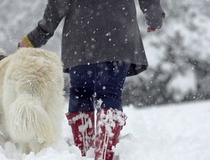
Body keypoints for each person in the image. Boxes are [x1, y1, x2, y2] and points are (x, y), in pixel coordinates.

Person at [18, 0, 165, 159]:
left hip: (81, 39)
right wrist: (155, 18)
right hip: (118, 35)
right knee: (111, 94)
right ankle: (104, 153)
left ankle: (83, 153)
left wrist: (36, 37)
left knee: (81, 94)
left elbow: (58, 4)